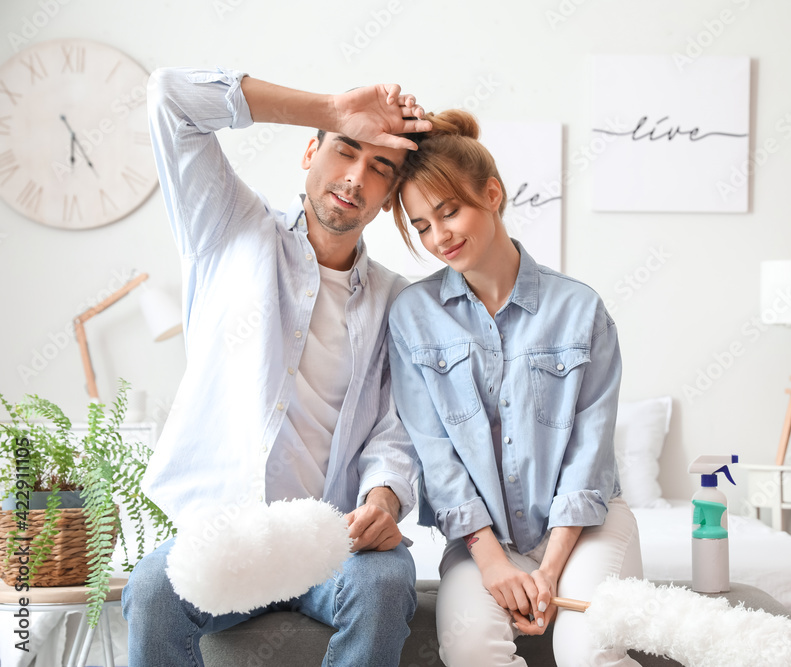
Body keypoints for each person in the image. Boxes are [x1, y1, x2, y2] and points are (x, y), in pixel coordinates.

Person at [122, 66, 431, 667]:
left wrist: (385, 499)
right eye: (345, 149)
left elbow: (395, 430)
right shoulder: (227, 228)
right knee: (154, 589)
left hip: (332, 543)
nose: (355, 178)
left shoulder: (399, 301)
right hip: (225, 533)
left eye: (379, 169)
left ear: (390, 195)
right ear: (311, 149)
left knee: (386, 584)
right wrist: (336, 105)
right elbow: (171, 97)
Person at [387, 110, 643, 666]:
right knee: (472, 647)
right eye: (423, 224)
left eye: (449, 211)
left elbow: (587, 451)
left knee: (589, 650)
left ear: (493, 194)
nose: (439, 236)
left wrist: (548, 571)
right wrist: (493, 563)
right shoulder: (413, 314)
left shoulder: (579, 308)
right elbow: (435, 452)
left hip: (587, 527)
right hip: (482, 539)